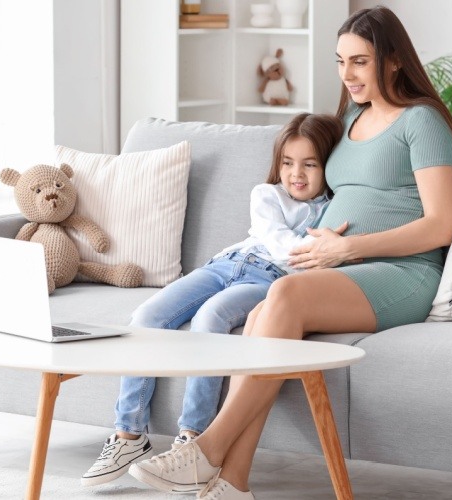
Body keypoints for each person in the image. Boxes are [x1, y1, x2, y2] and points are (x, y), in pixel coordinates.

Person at [127, 6, 452, 500]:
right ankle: (232, 483)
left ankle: (206, 450)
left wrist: (349, 246)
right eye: (340, 61)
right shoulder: (351, 117)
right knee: (264, 316)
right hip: (339, 269)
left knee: (283, 297)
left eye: (360, 62)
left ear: (393, 60)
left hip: (401, 272)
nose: (346, 74)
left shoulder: (424, 122)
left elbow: (443, 224)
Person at [81, 112, 344, 488]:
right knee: (145, 317)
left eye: (309, 164)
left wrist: (332, 248)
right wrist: (319, 245)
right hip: (227, 264)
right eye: (287, 163)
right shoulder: (266, 194)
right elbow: (277, 242)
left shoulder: (336, 205)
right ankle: (129, 435)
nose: (295, 173)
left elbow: (297, 263)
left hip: (272, 281)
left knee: (210, 320)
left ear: (327, 165)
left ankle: (192, 437)